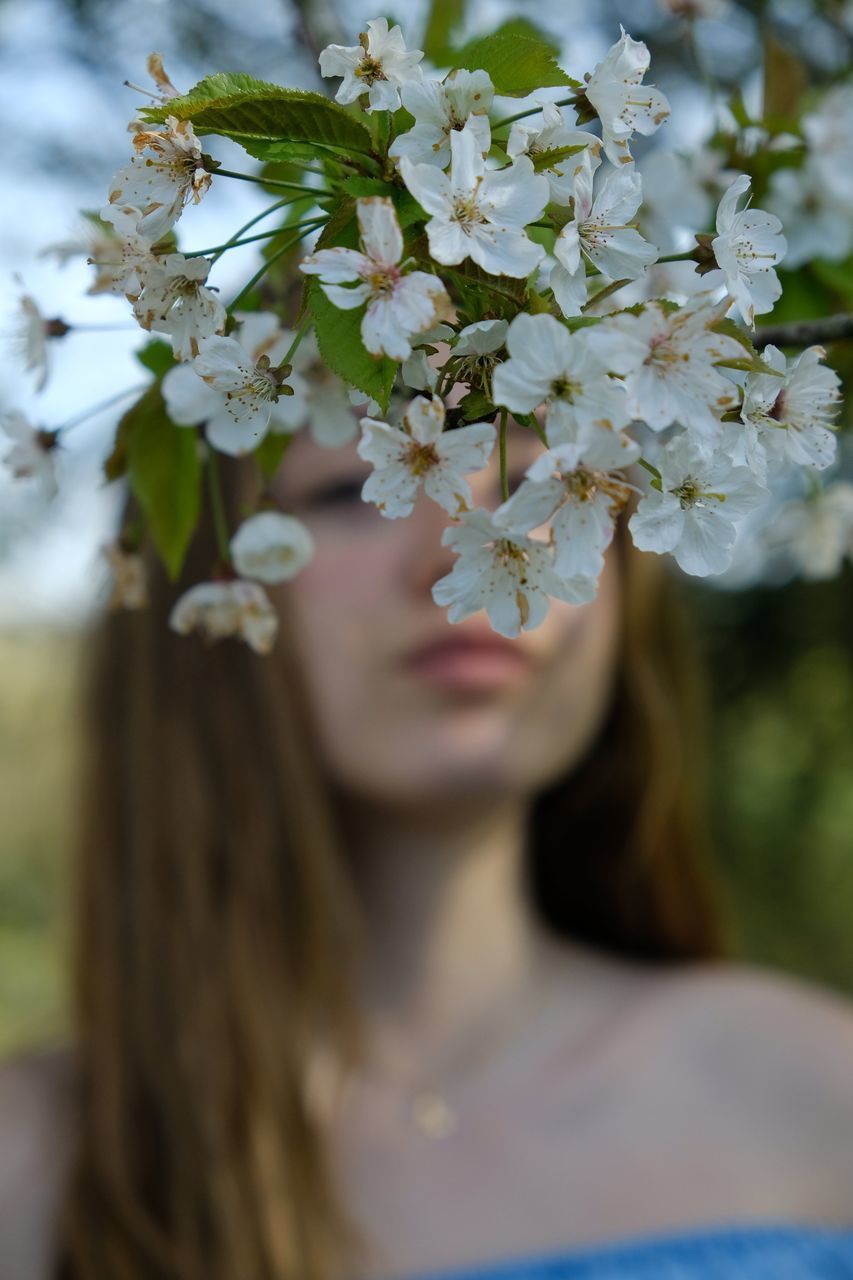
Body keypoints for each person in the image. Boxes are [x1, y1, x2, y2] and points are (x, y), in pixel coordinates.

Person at [1, 418, 853, 1280]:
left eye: (537, 486)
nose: (457, 554)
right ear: (203, 572)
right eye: (351, 491)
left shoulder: (820, 1093)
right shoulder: (32, 1171)